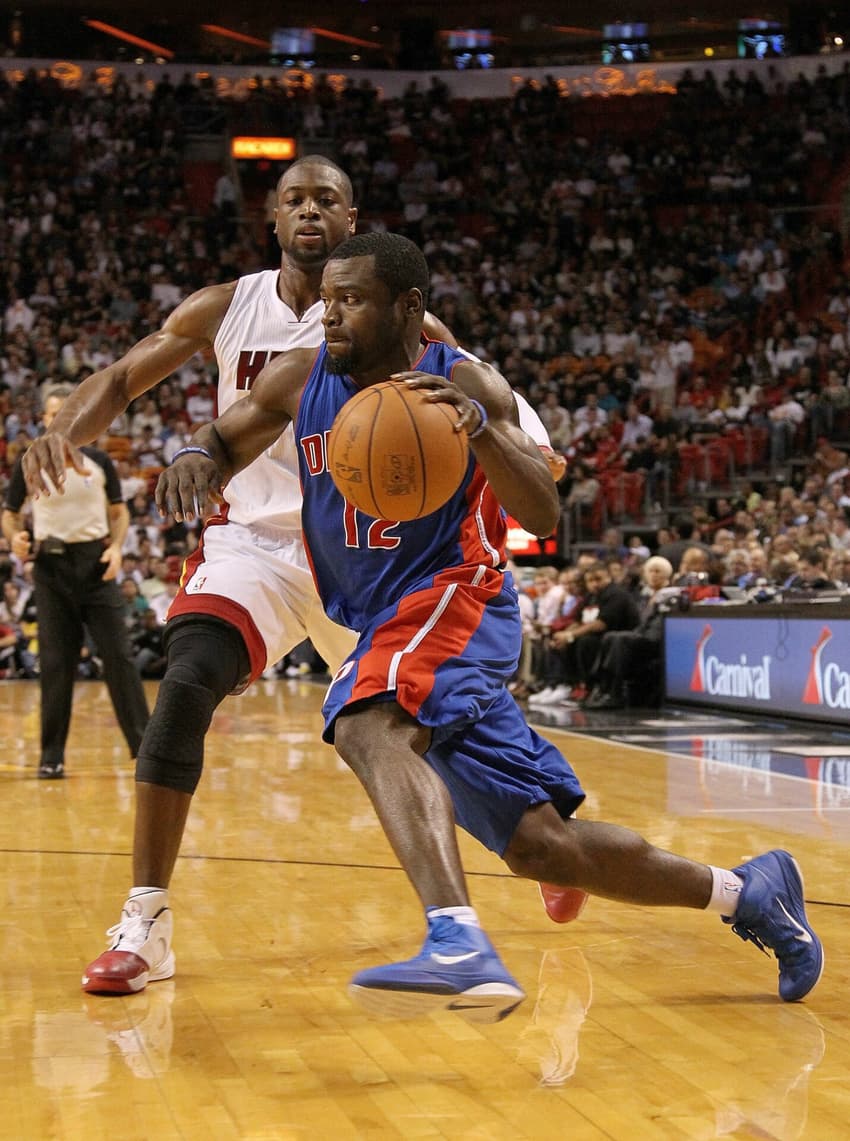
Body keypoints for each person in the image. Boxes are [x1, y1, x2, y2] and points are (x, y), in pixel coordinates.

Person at [157, 232, 823, 1020]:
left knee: (367, 722)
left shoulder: (465, 383)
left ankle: (456, 939)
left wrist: (479, 428)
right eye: (327, 299)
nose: (327, 316)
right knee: (545, 847)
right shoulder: (301, 375)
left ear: (408, 308)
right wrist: (199, 454)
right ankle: (749, 892)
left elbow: (541, 511)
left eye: (350, 300)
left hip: (454, 596)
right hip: (384, 618)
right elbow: (230, 434)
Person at [21, 156, 561, 995]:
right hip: (258, 548)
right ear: (272, 219)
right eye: (294, 200)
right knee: (186, 681)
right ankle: (146, 919)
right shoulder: (227, 307)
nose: (310, 211)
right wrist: (68, 429)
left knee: (429, 742)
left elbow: (491, 416)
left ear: (354, 220)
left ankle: (544, 830)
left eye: (328, 199)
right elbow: (126, 376)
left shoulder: (411, 327)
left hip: (370, 557)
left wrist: (520, 445)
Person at [1, 384, 150, 778]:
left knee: (119, 657)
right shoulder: (30, 463)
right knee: (55, 664)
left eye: (63, 412)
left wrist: (117, 549)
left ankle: (145, 750)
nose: (55, 420)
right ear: (43, 419)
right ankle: (52, 756)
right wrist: (13, 537)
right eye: (50, 414)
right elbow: (11, 512)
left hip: (95, 566)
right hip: (50, 568)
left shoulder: (99, 461)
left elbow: (119, 514)